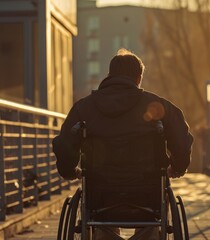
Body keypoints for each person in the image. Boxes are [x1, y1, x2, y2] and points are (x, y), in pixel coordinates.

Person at [53, 48, 193, 239]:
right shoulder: (158, 106)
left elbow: (65, 143)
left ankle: (105, 235)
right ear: (138, 78)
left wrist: (70, 171)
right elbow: (182, 139)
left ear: (110, 75)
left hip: (100, 195)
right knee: (158, 203)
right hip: (147, 194)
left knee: (94, 210)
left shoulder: (84, 108)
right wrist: (177, 167)